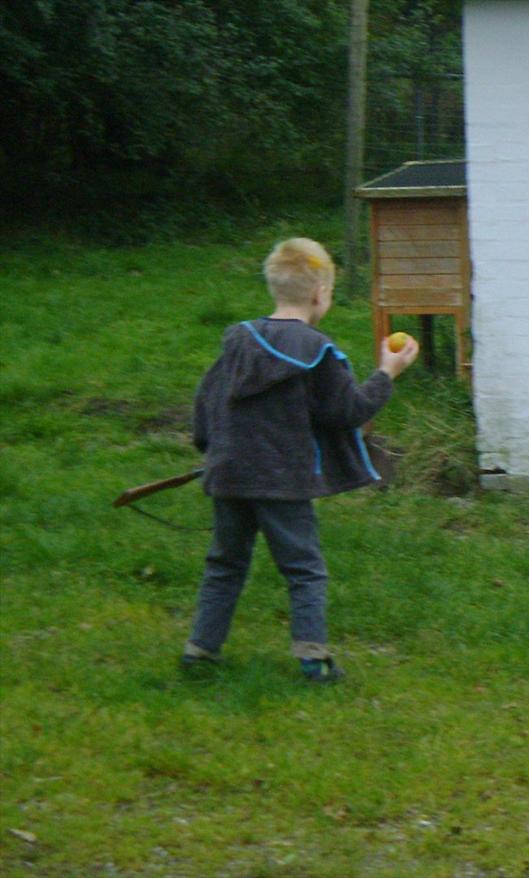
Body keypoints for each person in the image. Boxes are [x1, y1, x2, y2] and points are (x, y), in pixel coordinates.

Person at [181, 237, 418, 682]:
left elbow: (206, 403)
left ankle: (200, 650)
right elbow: (349, 411)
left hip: (229, 474)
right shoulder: (318, 352)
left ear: (275, 287)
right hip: (282, 480)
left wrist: (210, 451)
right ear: (320, 294)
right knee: (304, 569)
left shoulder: (237, 343)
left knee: (225, 564)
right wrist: (387, 373)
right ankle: (313, 659)